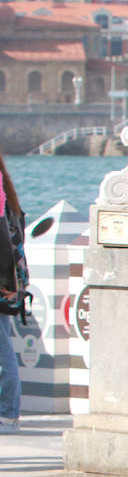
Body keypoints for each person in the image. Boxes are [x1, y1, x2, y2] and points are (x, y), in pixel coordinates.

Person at [0, 148, 24, 434]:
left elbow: (2, 239)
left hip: (2, 281)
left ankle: (8, 413)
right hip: (5, 281)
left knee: (3, 349)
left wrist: (5, 282)